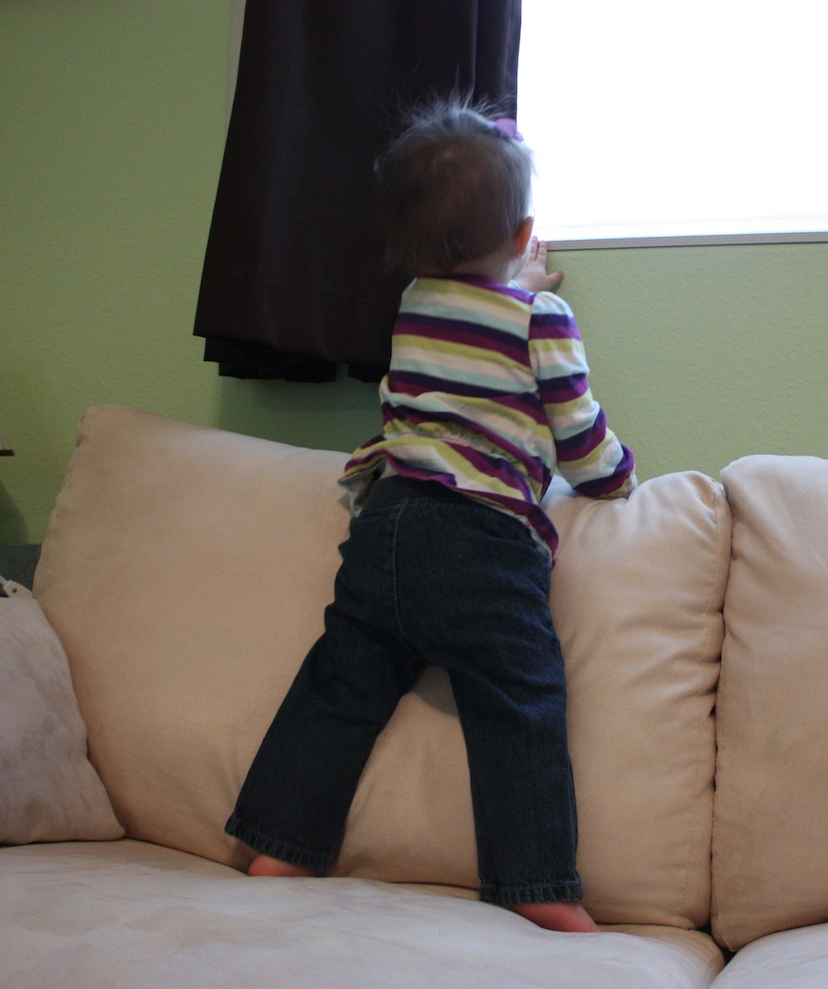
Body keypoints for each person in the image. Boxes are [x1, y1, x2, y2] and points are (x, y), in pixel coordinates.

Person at [225, 102, 636, 934]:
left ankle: (279, 845)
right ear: (523, 234)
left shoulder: (414, 304)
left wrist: (514, 281)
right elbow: (578, 438)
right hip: (481, 540)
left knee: (339, 686)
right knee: (519, 698)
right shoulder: (542, 320)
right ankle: (536, 881)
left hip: (386, 522)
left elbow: (469, 320)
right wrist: (617, 476)